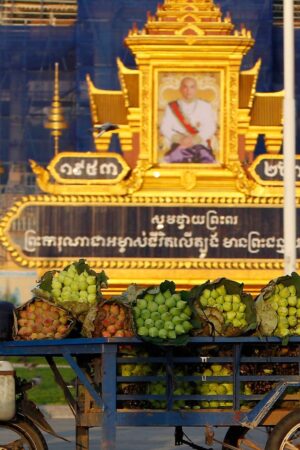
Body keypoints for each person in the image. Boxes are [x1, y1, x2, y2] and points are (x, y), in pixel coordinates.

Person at [159, 76, 217, 163]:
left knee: (208, 162)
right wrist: (180, 139)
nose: (188, 90)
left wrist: (195, 140)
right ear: (180, 89)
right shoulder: (172, 106)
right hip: (179, 145)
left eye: (192, 87)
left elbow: (210, 127)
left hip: (199, 144)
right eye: (185, 87)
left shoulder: (205, 106)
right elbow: (165, 127)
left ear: (196, 89)